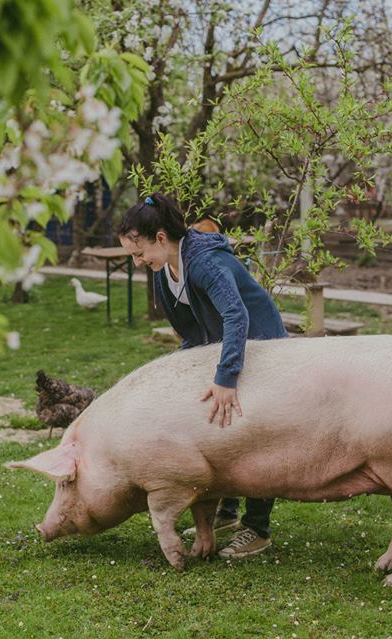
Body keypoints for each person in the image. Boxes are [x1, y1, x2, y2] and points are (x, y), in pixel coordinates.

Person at [117, 192, 289, 559]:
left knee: (255, 433)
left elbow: (236, 316)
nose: (137, 262)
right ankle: (227, 512)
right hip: (225, 346)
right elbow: (192, 334)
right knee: (219, 428)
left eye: (138, 253)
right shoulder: (165, 271)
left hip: (264, 347)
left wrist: (226, 377)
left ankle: (257, 528)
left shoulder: (205, 262)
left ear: (161, 238)